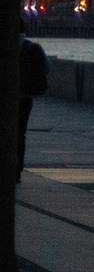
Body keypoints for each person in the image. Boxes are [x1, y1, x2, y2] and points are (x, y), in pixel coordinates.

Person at [16, 33, 47, 182]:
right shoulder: (33, 47)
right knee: (20, 133)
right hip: (26, 97)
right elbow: (47, 68)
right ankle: (17, 168)